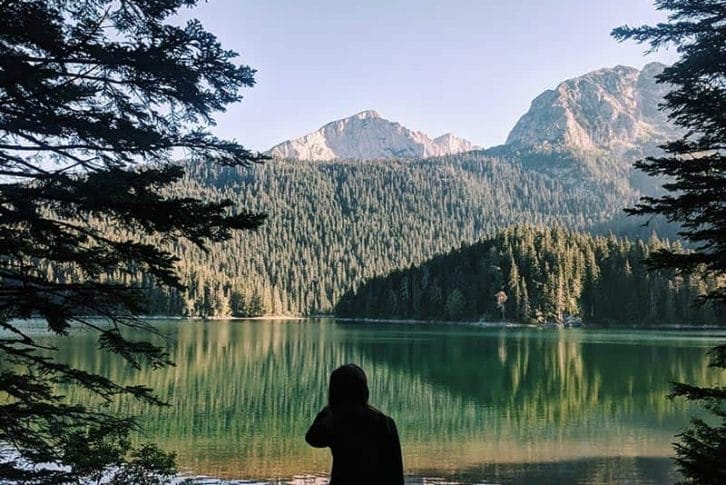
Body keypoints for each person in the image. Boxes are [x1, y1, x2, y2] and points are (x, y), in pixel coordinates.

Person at [305, 364, 404, 484]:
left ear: (334, 392)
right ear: (364, 390)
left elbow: (312, 438)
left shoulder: (335, 422)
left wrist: (329, 410)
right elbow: (395, 469)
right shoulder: (385, 422)